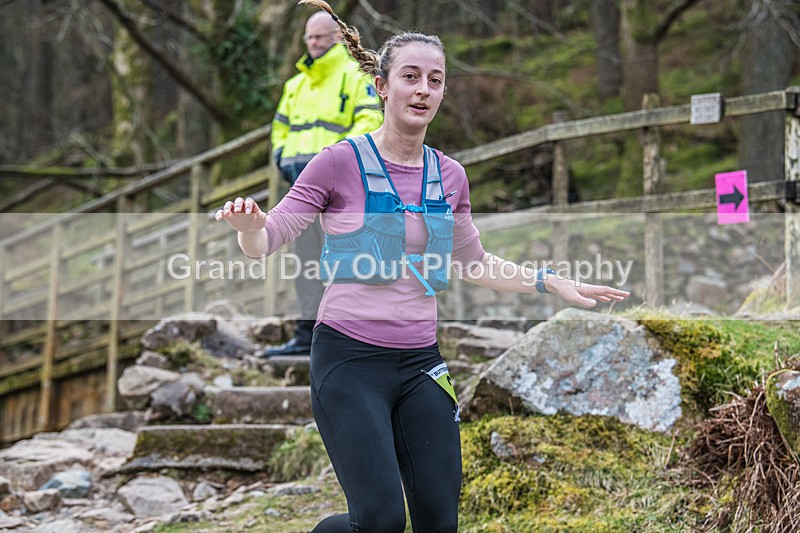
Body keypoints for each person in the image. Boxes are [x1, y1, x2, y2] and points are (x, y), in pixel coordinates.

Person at [216, 0, 630, 530]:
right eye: (410, 77)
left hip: (420, 364)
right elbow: (269, 237)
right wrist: (250, 227)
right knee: (382, 520)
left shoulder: (449, 175)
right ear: (383, 86)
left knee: (439, 520)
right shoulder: (339, 162)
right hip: (348, 362)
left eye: (435, 80)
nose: (423, 90)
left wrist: (552, 282)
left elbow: (474, 263)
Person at [265, 8, 383, 356]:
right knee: (305, 261)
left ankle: (357, 334)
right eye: (309, 38)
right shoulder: (295, 84)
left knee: (350, 256)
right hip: (300, 186)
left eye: (319, 37)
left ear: (337, 38)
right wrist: (284, 161)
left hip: (344, 185)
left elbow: (370, 117)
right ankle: (306, 335)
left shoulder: (355, 74)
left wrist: (334, 162)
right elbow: (279, 131)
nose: (313, 43)